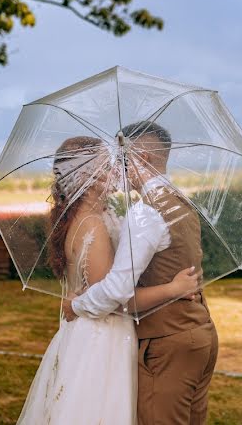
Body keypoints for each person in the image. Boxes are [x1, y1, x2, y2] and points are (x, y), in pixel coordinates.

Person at [17, 135, 198, 425]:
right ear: (89, 176)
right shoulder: (94, 226)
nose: (117, 171)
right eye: (108, 165)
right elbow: (114, 300)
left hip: (91, 329)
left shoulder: (93, 215)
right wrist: (173, 289)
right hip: (104, 338)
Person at [66, 121, 219, 425]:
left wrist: (75, 305)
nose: (118, 170)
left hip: (167, 343)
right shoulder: (180, 202)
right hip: (200, 335)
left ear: (143, 159)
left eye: (122, 160)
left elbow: (116, 290)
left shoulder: (146, 213)